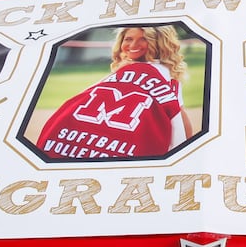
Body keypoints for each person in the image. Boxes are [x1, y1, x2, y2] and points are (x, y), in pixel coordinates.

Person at [35, 25, 194, 161]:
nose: (133, 45)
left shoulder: (156, 74)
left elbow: (177, 114)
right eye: (128, 39)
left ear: (157, 43)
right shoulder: (158, 73)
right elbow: (179, 119)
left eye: (143, 39)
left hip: (90, 146)